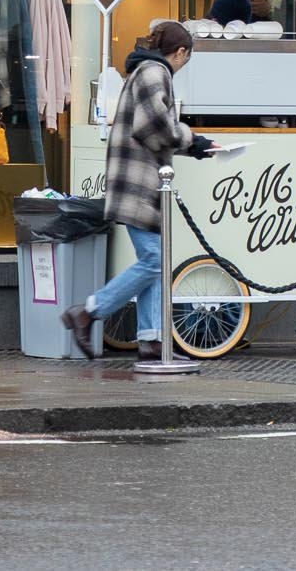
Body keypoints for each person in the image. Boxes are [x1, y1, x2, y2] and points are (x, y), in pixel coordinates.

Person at [64, 20, 215, 361]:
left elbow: (152, 127)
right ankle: (88, 312)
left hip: (138, 181)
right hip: (140, 183)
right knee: (155, 260)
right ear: (180, 52)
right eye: (184, 60)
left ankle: (152, 340)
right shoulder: (154, 72)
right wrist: (194, 140)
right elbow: (155, 127)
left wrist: (192, 145)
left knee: (154, 260)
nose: (181, 67)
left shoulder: (143, 70)